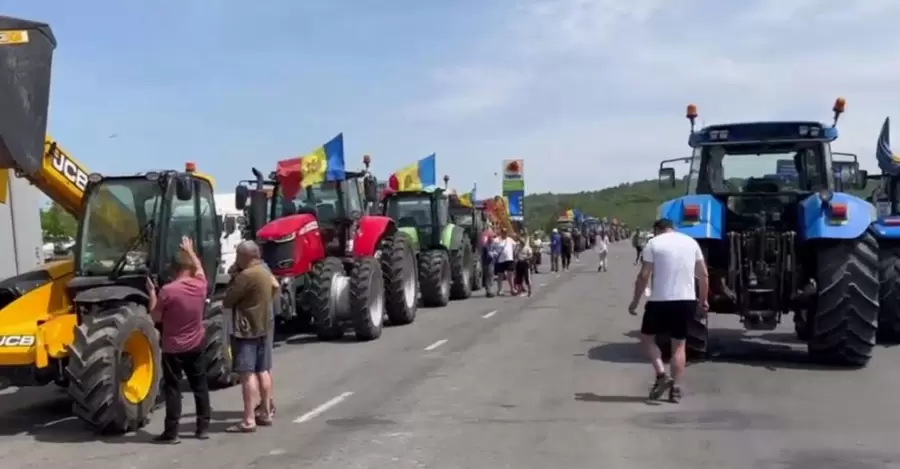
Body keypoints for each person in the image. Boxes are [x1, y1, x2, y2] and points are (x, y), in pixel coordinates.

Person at [627, 219, 709, 403]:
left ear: (657, 230)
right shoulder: (691, 242)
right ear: (673, 228)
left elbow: (643, 276)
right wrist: (703, 301)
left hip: (660, 301)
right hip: (686, 301)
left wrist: (634, 302)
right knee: (679, 345)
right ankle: (676, 389)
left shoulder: (653, 243)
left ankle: (662, 374)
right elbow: (703, 274)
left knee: (647, 338)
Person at [148, 236, 211, 443]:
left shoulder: (168, 291)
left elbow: (155, 317)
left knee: (173, 390)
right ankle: (202, 428)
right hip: (196, 344)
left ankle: (172, 433)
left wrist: (152, 294)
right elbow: (200, 269)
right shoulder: (201, 286)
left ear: (174, 269)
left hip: (173, 348)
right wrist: (191, 251)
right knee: (200, 386)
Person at [223, 240, 277, 432]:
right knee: (264, 370)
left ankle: (248, 419)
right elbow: (275, 287)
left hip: (246, 330)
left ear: (246, 257)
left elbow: (228, 301)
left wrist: (234, 277)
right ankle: (266, 412)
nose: (236, 259)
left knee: (247, 374)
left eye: (238, 256)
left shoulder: (246, 276)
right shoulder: (265, 272)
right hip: (264, 326)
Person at [493, 229, 516, 295]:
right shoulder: (496, 240)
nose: (505, 234)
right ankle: (499, 290)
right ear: (501, 233)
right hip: (500, 260)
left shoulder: (510, 239)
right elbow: (492, 248)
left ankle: (512, 289)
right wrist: (494, 254)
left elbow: (515, 246)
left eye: (506, 233)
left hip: (509, 259)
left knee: (510, 275)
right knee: (500, 276)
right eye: (503, 232)